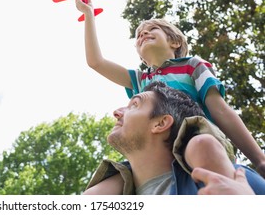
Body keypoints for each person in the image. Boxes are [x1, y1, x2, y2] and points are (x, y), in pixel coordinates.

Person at [75, 0, 265, 192]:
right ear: (141, 55)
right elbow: (96, 62)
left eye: (152, 29)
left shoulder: (192, 66)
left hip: (195, 136)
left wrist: (259, 159)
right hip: (152, 153)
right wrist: (89, 14)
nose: (143, 34)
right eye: (139, 35)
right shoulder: (141, 80)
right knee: (97, 192)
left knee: (201, 147)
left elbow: (220, 110)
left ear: (175, 42)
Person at [83, 81, 265, 195]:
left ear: (160, 123)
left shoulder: (234, 180)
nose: (117, 112)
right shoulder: (106, 195)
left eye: (134, 105)